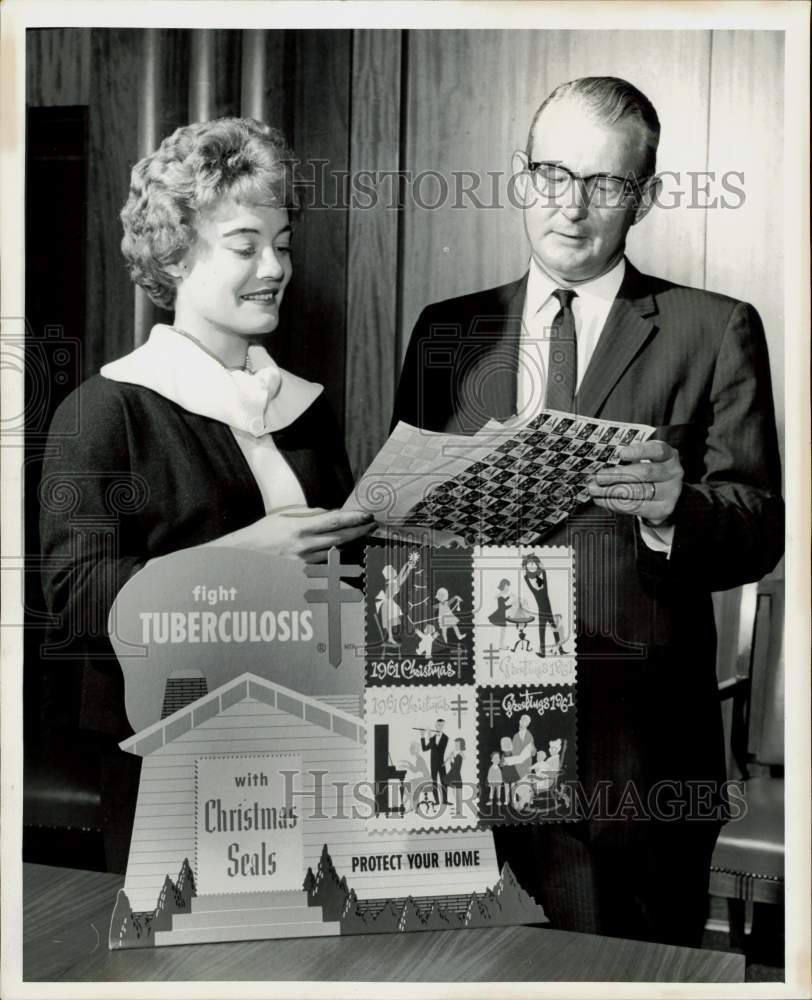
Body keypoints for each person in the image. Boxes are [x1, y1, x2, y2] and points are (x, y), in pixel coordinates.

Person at [392, 77, 784, 945]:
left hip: (636, 757)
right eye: (553, 175)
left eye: (604, 184)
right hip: (468, 738)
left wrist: (674, 510)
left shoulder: (713, 329)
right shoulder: (445, 330)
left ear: (640, 197)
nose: (571, 207)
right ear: (521, 176)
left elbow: (759, 524)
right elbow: (404, 521)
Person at [38, 118, 374, 863]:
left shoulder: (303, 408)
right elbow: (79, 598)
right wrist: (243, 560)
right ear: (177, 253)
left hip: (312, 741)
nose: (275, 266)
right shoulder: (105, 410)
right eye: (247, 245)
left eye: (282, 244)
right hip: (171, 751)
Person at [522, 555, 564, 656]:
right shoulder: (545, 591)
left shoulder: (536, 592)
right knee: (554, 631)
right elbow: (543, 578)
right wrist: (543, 569)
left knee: (542, 633)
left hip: (543, 615)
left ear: (537, 585)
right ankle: (560, 650)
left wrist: (525, 573)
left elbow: (528, 582)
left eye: (536, 583)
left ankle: (544, 653)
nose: (535, 585)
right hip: (548, 614)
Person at [420, 718, 449, 804]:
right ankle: (436, 801)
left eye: (442, 725)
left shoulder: (445, 738)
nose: (440, 727)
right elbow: (424, 749)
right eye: (438, 725)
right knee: (434, 782)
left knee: (444, 782)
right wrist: (422, 736)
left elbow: (438, 749)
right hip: (433, 764)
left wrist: (429, 737)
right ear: (435, 726)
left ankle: (445, 801)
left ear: (443, 726)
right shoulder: (432, 738)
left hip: (441, 764)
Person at [487, 578, 513, 649]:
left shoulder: (501, 595)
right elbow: (503, 607)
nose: (508, 589)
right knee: (502, 631)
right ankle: (500, 645)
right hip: (500, 615)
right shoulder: (500, 596)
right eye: (507, 587)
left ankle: (500, 645)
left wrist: (509, 596)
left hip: (501, 614)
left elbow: (503, 601)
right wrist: (512, 605)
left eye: (508, 587)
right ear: (503, 586)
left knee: (502, 631)